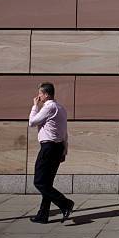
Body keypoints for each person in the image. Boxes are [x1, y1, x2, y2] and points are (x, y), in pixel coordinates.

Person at [28, 82, 75, 223]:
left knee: (39, 182)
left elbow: (32, 122)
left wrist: (35, 106)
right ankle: (43, 215)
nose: (38, 96)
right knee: (47, 182)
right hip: (58, 147)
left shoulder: (49, 107)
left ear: (46, 94)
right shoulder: (61, 108)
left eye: (40, 93)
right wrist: (64, 151)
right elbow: (64, 132)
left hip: (48, 148)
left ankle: (65, 203)